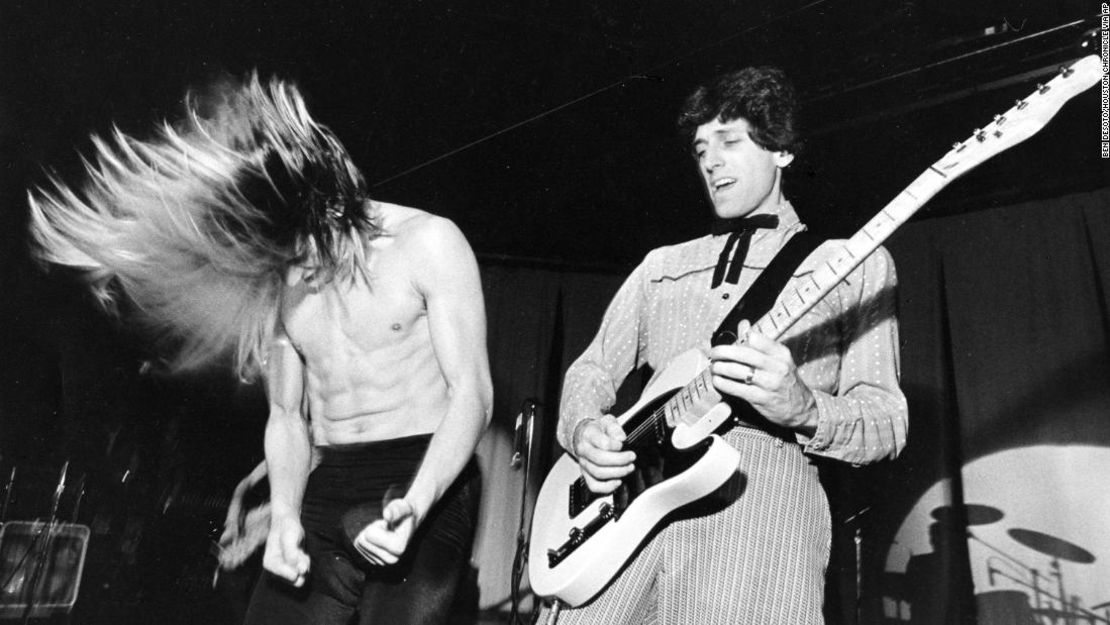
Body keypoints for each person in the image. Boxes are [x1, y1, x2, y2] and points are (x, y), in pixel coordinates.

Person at [27, 75, 492, 625]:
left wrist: (416, 506)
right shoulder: (283, 277)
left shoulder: (430, 243)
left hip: (426, 470)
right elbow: (286, 416)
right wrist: (288, 516)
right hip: (331, 477)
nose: (293, 272)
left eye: (299, 250)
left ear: (328, 206)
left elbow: (473, 395)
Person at [547, 67, 908, 624]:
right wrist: (582, 429)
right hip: (625, 516)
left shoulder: (851, 265)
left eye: (730, 141)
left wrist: (806, 409)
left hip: (757, 511)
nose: (710, 161)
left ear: (782, 150)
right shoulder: (660, 268)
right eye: (700, 149)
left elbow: (887, 423)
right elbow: (591, 370)